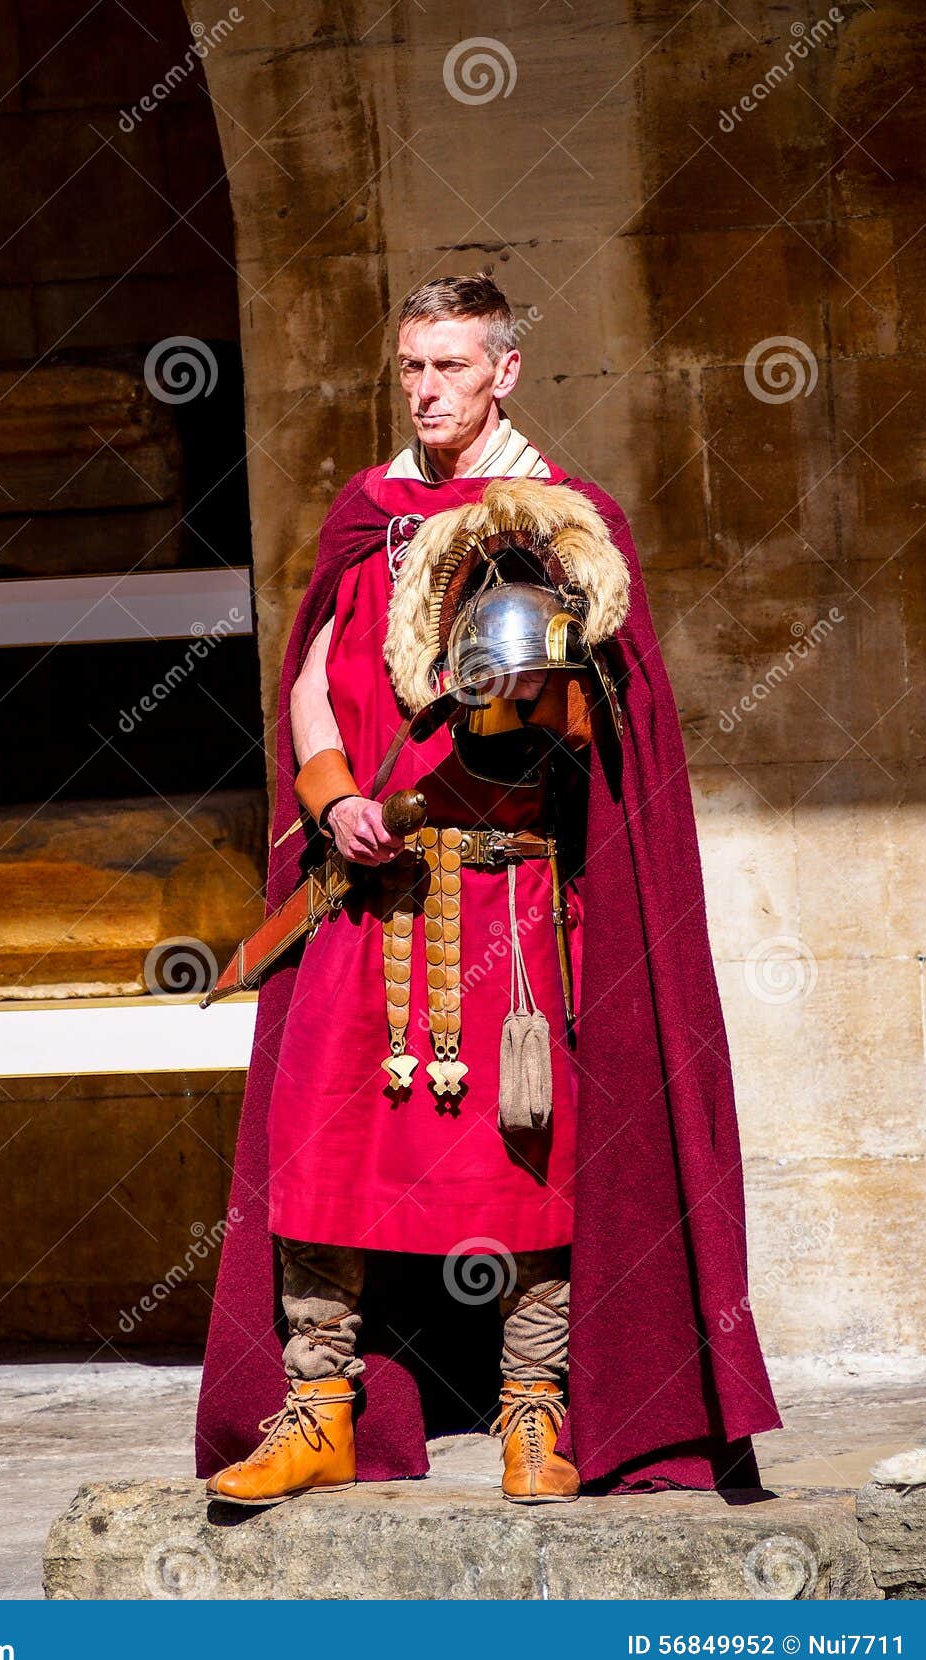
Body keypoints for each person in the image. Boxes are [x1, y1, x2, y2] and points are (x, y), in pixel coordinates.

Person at [196, 273, 781, 1505]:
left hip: (509, 903)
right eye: (412, 367)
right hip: (364, 890)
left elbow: (600, 725)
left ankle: (535, 1414)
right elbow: (308, 673)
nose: (426, 390)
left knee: (529, 1156)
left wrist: (539, 701)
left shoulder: (561, 522)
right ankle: (318, 1408)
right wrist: (329, 791)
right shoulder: (371, 513)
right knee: (318, 1150)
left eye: (451, 366)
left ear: (504, 370)